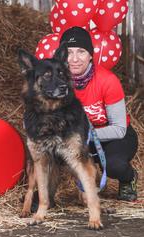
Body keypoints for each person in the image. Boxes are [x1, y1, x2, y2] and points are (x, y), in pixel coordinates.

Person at [58, 26, 138, 201]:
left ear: (90, 55)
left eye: (81, 51)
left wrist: (83, 135)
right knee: (48, 154)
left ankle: (128, 179)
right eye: (68, 52)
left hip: (113, 136)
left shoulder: (107, 81)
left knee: (114, 165)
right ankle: (41, 196)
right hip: (77, 137)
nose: (74, 59)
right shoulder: (56, 83)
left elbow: (119, 129)